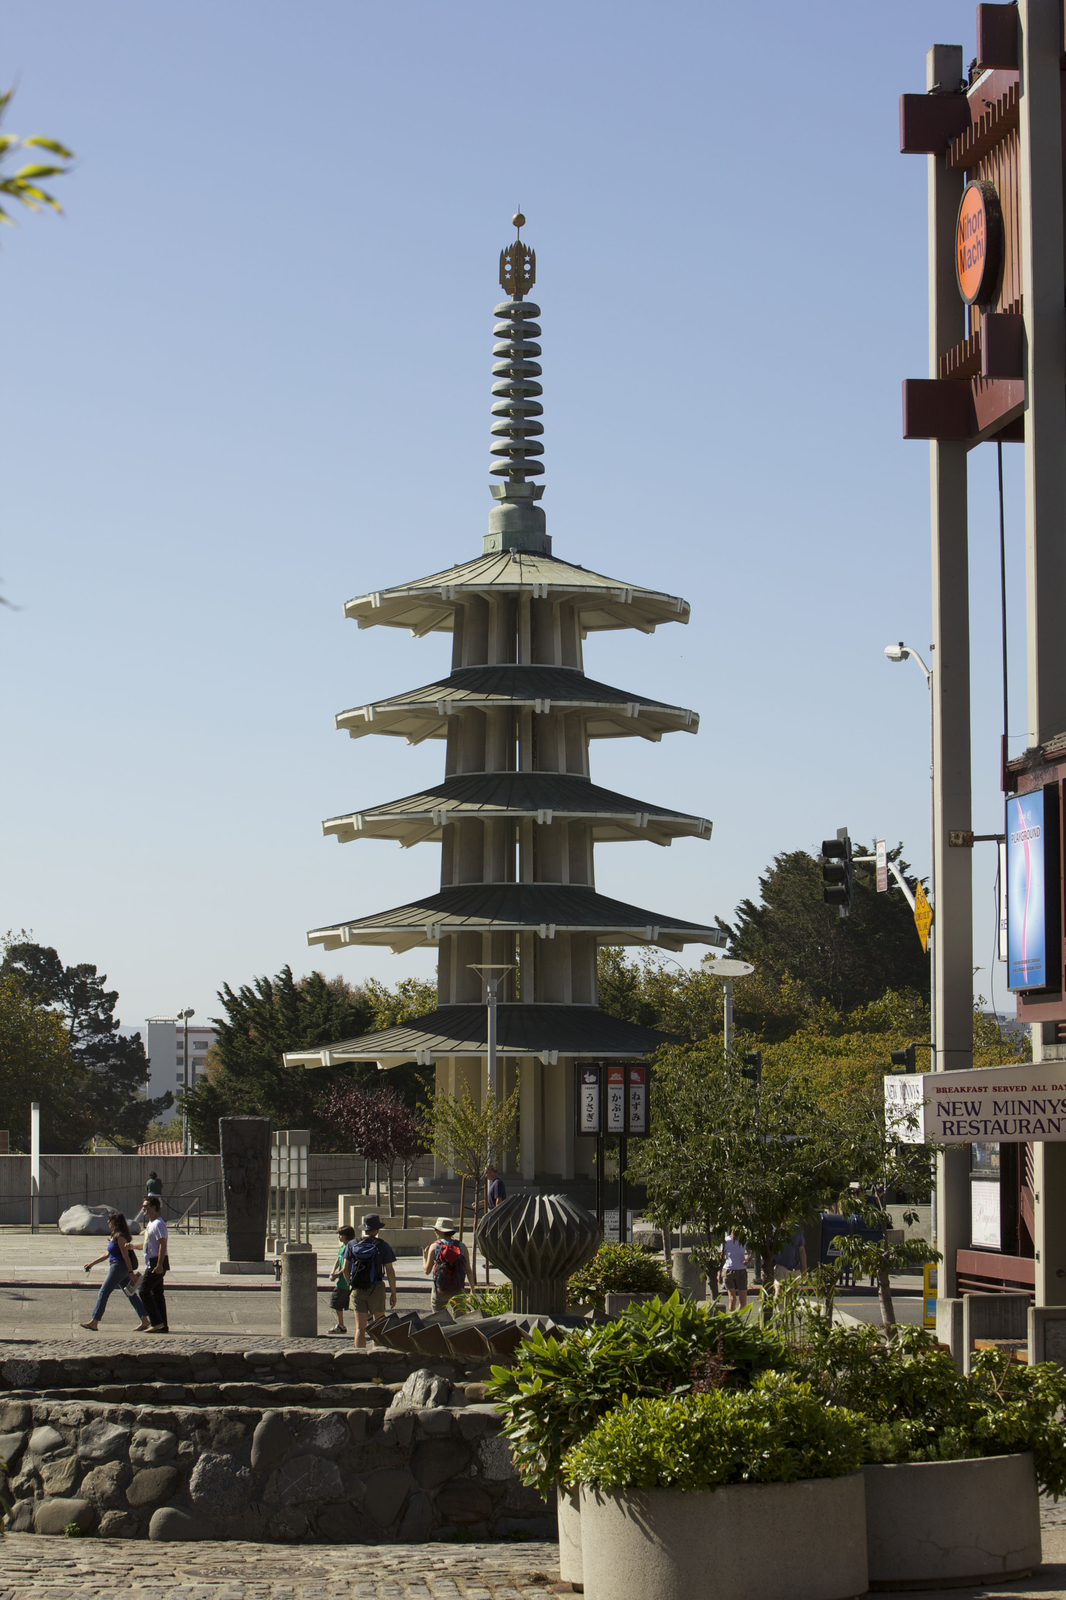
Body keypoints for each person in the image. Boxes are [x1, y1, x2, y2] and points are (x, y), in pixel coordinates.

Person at [80, 1211, 151, 1331]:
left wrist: (130, 1272)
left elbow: (125, 1256)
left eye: (110, 1220)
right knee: (130, 1293)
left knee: (103, 1292)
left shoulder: (120, 1237)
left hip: (118, 1267)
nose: (108, 1222)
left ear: (115, 1222)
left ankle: (94, 1321)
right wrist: (92, 1263)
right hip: (118, 1267)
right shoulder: (114, 1235)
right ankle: (145, 1320)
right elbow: (107, 1254)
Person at [341, 1213, 397, 1349]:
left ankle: (359, 1357)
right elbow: (390, 1270)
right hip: (376, 1287)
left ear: (364, 1228)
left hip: (358, 1288)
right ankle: (375, 1356)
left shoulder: (352, 1244)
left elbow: (344, 1269)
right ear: (377, 1230)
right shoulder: (383, 1245)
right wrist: (393, 1292)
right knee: (377, 1327)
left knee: (360, 1328)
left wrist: (351, 1284)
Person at [422, 1217, 475, 1314]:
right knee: (460, 1318)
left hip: (440, 1290)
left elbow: (427, 1270)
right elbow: (468, 1270)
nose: (435, 1232)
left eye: (436, 1230)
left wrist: (424, 1257)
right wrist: (472, 1289)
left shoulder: (435, 1246)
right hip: (458, 1289)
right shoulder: (461, 1246)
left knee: (439, 1317)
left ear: (441, 1232)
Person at [138, 1194, 170, 1333]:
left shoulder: (158, 1224)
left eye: (146, 1206)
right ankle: (162, 1325)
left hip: (156, 1262)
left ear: (154, 1207)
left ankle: (156, 1322)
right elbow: (148, 1244)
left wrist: (159, 1265)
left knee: (143, 1291)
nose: (143, 1209)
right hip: (152, 1261)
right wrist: (133, 1246)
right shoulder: (151, 1224)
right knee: (157, 1294)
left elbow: (162, 1244)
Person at [328, 1224, 356, 1334]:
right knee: (347, 1303)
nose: (339, 1237)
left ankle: (341, 1325)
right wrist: (332, 1271)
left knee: (335, 1303)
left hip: (344, 1282)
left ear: (346, 1236)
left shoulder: (349, 1247)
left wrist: (336, 1275)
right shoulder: (344, 1247)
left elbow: (345, 1268)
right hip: (342, 1280)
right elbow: (338, 1260)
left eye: (340, 1235)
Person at [772, 1223, 808, 1295]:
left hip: (794, 1268)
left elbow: (801, 1250)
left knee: (790, 1296)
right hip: (780, 1267)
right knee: (779, 1293)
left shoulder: (797, 1230)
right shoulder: (775, 1229)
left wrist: (804, 1268)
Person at [722, 1231, 748, 1310]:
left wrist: (748, 1260)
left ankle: (737, 1317)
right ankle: (732, 1319)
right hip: (729, 1270)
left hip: (741, 1271)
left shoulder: (744, 1241)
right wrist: (719, 1273)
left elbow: (750, 1253)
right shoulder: (726, 1241)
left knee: (743, 1301)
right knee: (733, 1299)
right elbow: (721, 1257)